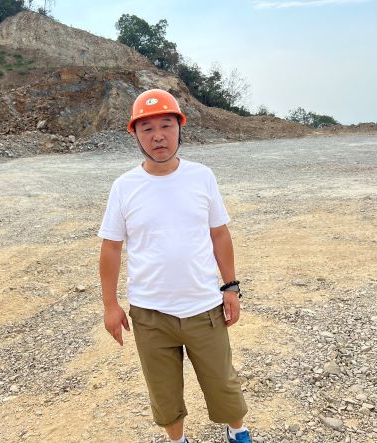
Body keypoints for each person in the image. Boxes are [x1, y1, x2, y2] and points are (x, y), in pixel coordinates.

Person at [98, 89, 252, 443]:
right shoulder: (124, 187)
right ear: (135, 135)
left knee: (223, 383)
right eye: (147, 128)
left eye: (166, 125)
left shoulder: (202, 176)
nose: (158, 136)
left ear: (180, 127)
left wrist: (231, 287)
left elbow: (219, 234)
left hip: (204, 308)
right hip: (150, 314)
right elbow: (111, 248)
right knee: (164, 394)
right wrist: (109, 305)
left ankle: (237, 432)